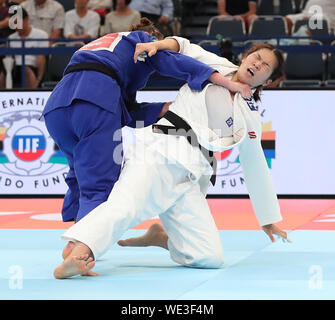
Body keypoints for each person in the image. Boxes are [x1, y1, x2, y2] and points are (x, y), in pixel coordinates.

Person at [52, 38, 288, 279]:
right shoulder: (216, 66)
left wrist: (268, 219)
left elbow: (255, 165)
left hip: (191, 175)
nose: (257, 64)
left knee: (210, 257)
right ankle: (78, 255)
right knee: (124, 206)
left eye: (265, 66)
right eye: (256, 57)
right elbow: (184, 47)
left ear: (269, 81)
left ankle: (162, 238)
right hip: (160, 150)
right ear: (246, 56)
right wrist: (158, 45)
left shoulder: (250, 117)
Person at [42, 18, 252, 258]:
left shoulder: (100, 45)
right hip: (94, 101)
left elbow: (125, 112)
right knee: (99, 182)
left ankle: (75, 229)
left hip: (56, 108)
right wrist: (224, 81)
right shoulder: (142, 41)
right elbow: (176, 63)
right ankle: (79, 251)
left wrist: (161, 109)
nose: (159, 46)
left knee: (79, 173)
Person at [0, 6, 48, 88]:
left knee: (26, 70)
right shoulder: (11, 38)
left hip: (31, 68)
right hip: (13, 69)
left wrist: (39, 79)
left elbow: (41, 59)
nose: (15, 26)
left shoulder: (41, 35)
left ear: (26, 19)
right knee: (2, 74)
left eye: (17, 22)